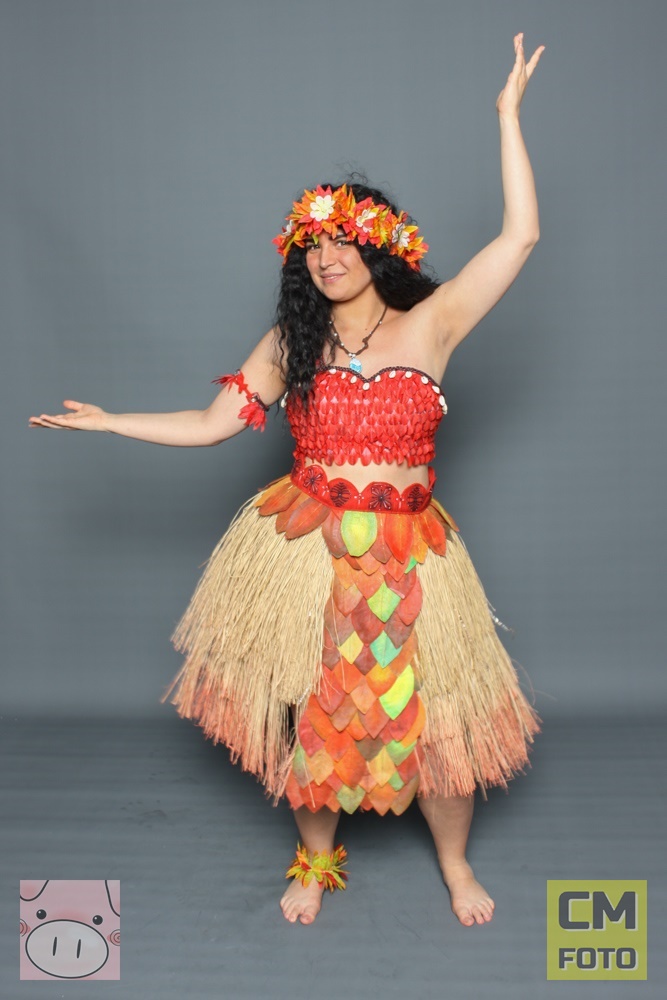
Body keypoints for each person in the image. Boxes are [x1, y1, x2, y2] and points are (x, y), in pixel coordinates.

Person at [29, 32, 545, 928]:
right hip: (310, 548)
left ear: (379, 250)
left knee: (439, 723)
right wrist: (113, 421)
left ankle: (454, 863)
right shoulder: (289, 344)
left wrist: (505, 117)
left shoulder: (435, 323)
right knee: (320, 719)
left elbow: (520, 235)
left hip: (410, 555)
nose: (325, 257)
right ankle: (315, 864)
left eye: (342, 242)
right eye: (311, 246)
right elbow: (212, 424)